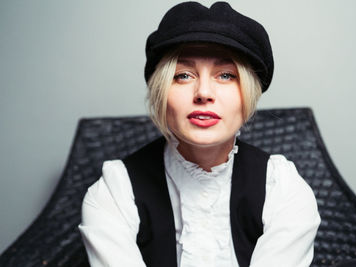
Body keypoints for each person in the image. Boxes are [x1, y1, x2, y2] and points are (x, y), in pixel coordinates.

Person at [79, 2, 322, 266]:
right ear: (161, 93)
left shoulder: (282, 187)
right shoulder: (116, 190)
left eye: (227, 75)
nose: (203, 92)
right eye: (183, 75)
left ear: (249, 94)